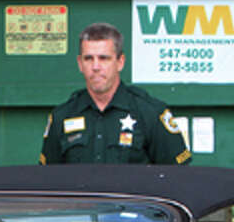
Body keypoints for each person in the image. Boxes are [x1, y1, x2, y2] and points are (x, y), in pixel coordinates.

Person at [40, 22, 190, 166]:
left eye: (104, 58)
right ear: (80, 64)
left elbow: (177, 177)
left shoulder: (150, 113)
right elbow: (48, 181)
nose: (96, 67)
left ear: (120, 62)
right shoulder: (62, 116)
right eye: (88, 58)